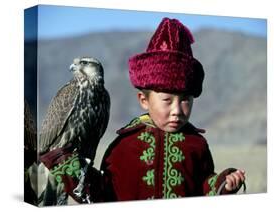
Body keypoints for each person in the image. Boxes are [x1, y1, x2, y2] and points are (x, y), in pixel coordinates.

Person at [95, 17, 245, 201]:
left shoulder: (196, 145)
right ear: (144, 100)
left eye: (185, 100)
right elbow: (103, 192)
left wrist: (223, 183)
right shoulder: (123, 146)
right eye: (167, 100)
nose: (177, 110)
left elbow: (204, 188)